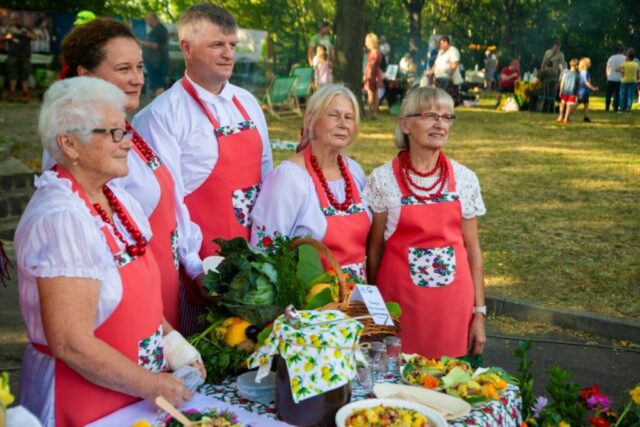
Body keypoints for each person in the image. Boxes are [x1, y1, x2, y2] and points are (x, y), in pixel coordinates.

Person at [16, 76, 204, 427]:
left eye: (126, 130)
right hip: (84, 400)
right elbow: (71, 343)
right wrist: (151, 384)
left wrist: (173, 344)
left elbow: (140, 301)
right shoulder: (62, 218)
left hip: (134, 393)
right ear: (69, 144)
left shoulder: (119, 201)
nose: (128, 143)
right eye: (114, 133)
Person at [44, 19, 204, 335]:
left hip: (159, 288)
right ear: (86, 75)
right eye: (123, 69)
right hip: (125, 310)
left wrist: (195, 266)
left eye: (139, 67)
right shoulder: (82, 147)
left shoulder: (124, 130)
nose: (137, 79)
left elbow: (171, 205)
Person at [133, 3, 272, 329]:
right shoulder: (162, 115)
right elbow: (169, 201)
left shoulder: (247, 102)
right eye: (216, 45)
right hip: (200, 269)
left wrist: (267, 255)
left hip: (255, 266)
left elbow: (267, 175)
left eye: (232, 45)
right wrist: (197, 269)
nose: (228, 54)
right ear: (187, 48)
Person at [365, 87, 486, 358]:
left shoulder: (464, 179)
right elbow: (374, 251)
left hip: (453, 309)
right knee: (399, 378)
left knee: (451, 379)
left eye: (447, 117)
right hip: (399, 306)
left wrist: (479, 313)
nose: (440, 124)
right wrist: (375, 310)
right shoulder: (383, 180)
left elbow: (473, 251)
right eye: (430, 115)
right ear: (405, 124)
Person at [250, 84, 370, 281]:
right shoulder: (289, 179)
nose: (343, 124)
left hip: (357, 294)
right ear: (310, 120)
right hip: (311, 296)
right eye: (333, 115)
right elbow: (264, 252)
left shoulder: (354, 172)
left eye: (349, 117)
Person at [3, 12, 36, 102]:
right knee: (12, 75)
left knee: (25, 76)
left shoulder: (26, 28)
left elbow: (34, 37)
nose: (15, 21)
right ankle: (12, 94)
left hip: (25, 56)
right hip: (12, 56)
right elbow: (4, 37)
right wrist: (9, 36)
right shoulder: (9, 28)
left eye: (17, 19)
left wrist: (26, 33)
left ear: (20, 19)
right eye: (13, 19)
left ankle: (25, 94)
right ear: (11, 20)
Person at [425, 35, 462, 105]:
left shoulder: (453, 50)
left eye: (441, 43)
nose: (440, 45)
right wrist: (429, 73)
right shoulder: (440, 52)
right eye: (440, 44)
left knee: (444, 97)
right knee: (438, 96)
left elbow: (454, 65)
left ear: (446, 42)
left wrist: (451, 75)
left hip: (448, 79)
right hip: (438, 78)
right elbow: (436, 65)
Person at [140, 12, 170, 97]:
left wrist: (141, 42)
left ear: (153, 19)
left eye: (147, 20)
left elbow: (155, 45)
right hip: (157, 61)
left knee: (158, 85)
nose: (147, 22)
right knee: (159, 84)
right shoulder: (160, 29)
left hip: (156, 62)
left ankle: (160, 102)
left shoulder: (158, 30)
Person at [363, 32, 384, 119]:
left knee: (371, 95)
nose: (365, 44)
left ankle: (370, 112)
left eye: (367, 42)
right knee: (375, 95)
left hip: (372, 74)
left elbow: (372, 65)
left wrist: (368, 76)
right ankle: (374, 112)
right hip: (376, 74)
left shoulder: (373, 53)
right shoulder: (377, 52)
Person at [557, 58, 580, 124]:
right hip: (572, 92)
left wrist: (561, 90)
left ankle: (561, 116)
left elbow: (562, 82)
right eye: (577, 65)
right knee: (568, 106)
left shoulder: (566, 73)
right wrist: (578, 94)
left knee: (563, 104)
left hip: (565, 91)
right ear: (575, 65)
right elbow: (578, 85)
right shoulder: (578, 75)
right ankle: (565, 118)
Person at [616, 48, 639, 113]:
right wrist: (638, 79)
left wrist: (622, 71)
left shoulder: (624, 64)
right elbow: (638, 73)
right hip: (633, 80)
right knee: (630, 95)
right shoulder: (636, 64)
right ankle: (628, 108)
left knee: (622, 95)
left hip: (624, 80)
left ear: (627, 57)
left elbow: (616, 69)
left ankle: (621, 108)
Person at [605, 46, 626, 112]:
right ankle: (616, 108)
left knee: (609, 93)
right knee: (617, 94)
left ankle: (607, 107)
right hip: (620, 79)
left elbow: (607, 67)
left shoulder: (612, 57)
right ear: (624, 51)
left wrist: (607, 76)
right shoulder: (625, 58)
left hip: (611, 78)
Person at [577, 57, 598, 122]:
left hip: (585, 91)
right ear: (586, 64)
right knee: (577, 103)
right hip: (583, 91)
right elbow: (586, 82)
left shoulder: (584, 72)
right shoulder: (584, 72)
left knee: (586, 104)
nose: (590, 64)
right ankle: (567, 113)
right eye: (589, 63)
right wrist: (593, 88)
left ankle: (586, 117)